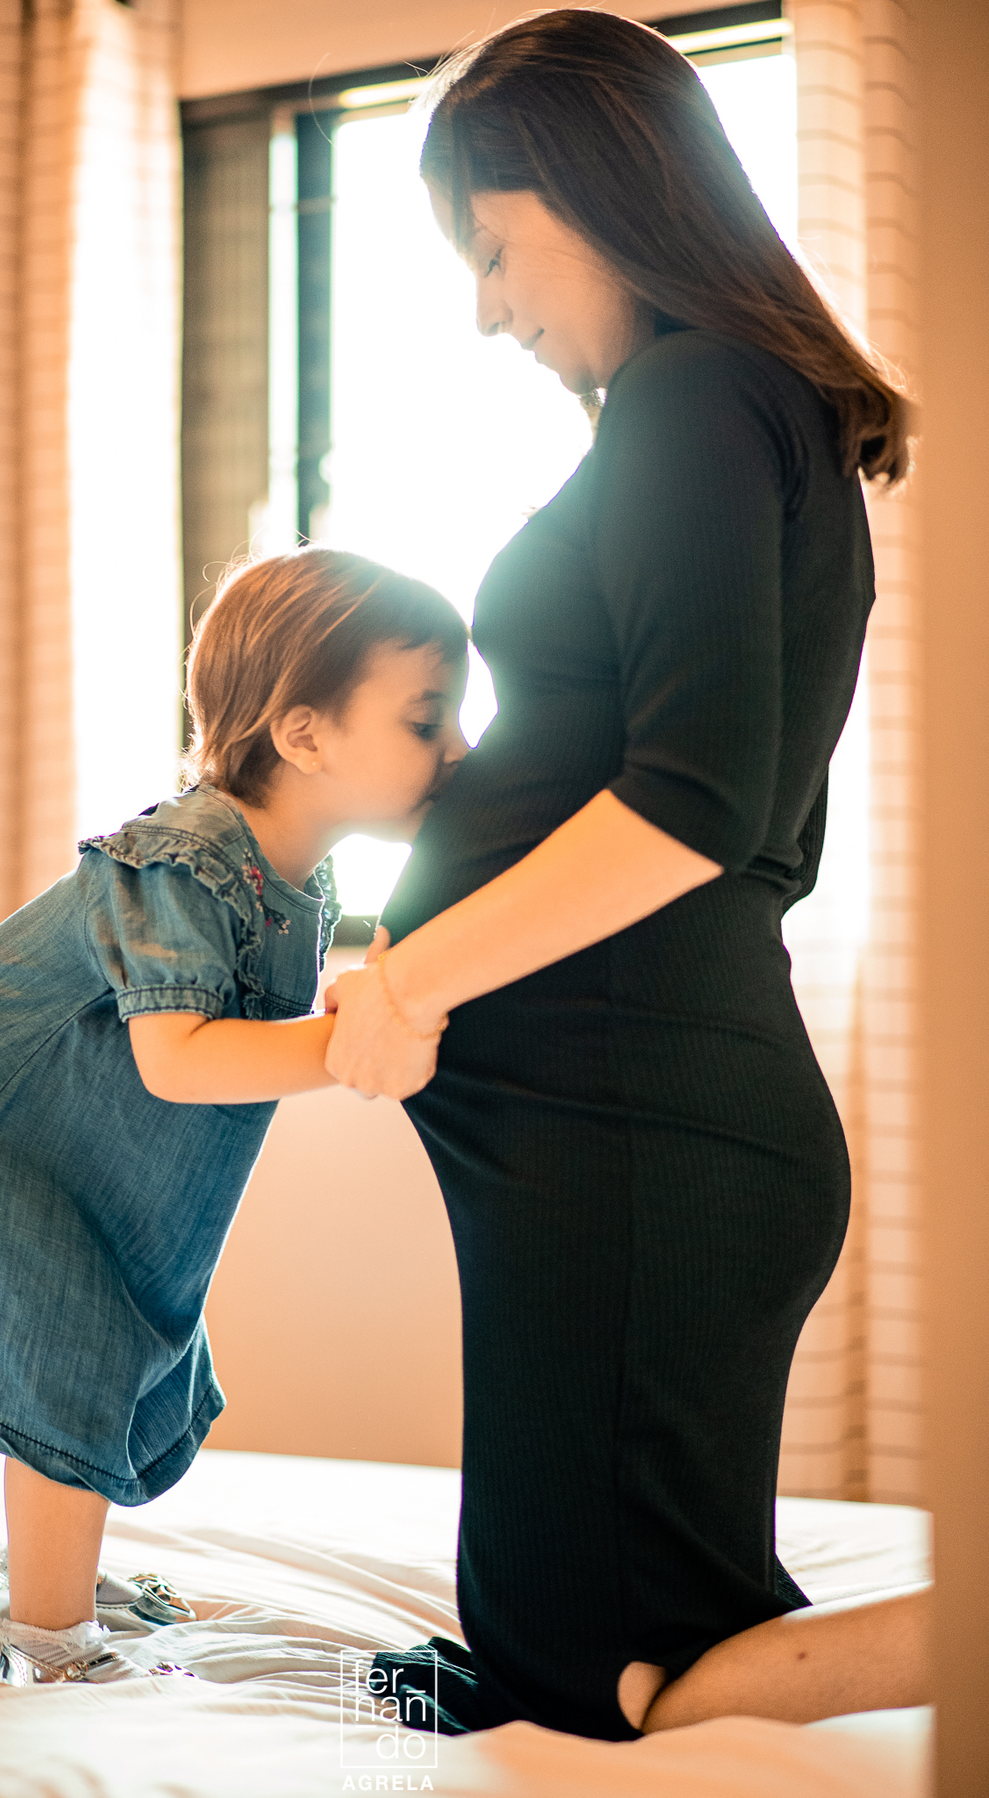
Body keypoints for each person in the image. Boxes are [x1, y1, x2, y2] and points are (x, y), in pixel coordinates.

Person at [325, 9, 931, 1742]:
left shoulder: (693, 393)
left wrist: (415, 974)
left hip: (643, 1129)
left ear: (602, 190)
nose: (490, 307)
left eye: (495, 247)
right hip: (620, 1130)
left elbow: (689, 803)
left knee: (622, 1688)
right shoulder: (725, 408)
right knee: (550, 1647)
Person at [0, 548, 468, 1688]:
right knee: (73, 1353)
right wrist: (354, 1047)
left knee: (123, 1332)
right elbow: (180, 1058)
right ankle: (49, 1639)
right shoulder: (187, 859)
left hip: (67, 1149)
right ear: (303, 735)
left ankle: (45, 1574)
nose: (458, 750)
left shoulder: (294, 881)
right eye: (426, 718)